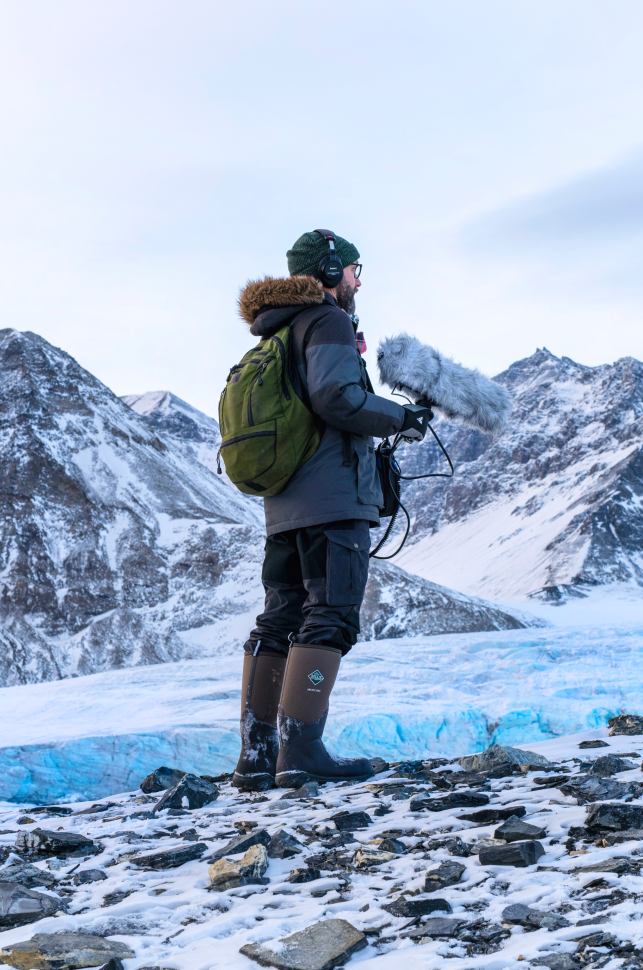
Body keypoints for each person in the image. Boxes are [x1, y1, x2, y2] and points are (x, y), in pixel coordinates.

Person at [231, 230, 432, 790]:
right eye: (353, 269)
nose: (358, 280)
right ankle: (301, 750)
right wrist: (400, 418)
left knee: (279, 617)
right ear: (330, 270)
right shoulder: (327, 321)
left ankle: (257, 756)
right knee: (331, 614)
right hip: (332, 500)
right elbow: (336, 398)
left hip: (284, 504)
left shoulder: (279, 329)